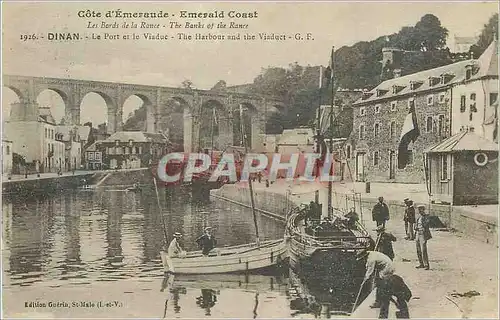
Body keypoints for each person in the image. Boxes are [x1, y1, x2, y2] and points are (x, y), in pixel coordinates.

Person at [414, 205, 432, 270]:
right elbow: (415, 224)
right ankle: (421, 263)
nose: (419, 211)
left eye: (420, 209)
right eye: (418, 209)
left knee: (423, 250)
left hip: (423, 234)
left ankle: (426, 264)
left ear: (423, 210)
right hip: (418, 233)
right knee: (418, 249)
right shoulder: (418, 217)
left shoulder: (426, 216)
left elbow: (427, 224)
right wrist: (415, 227)